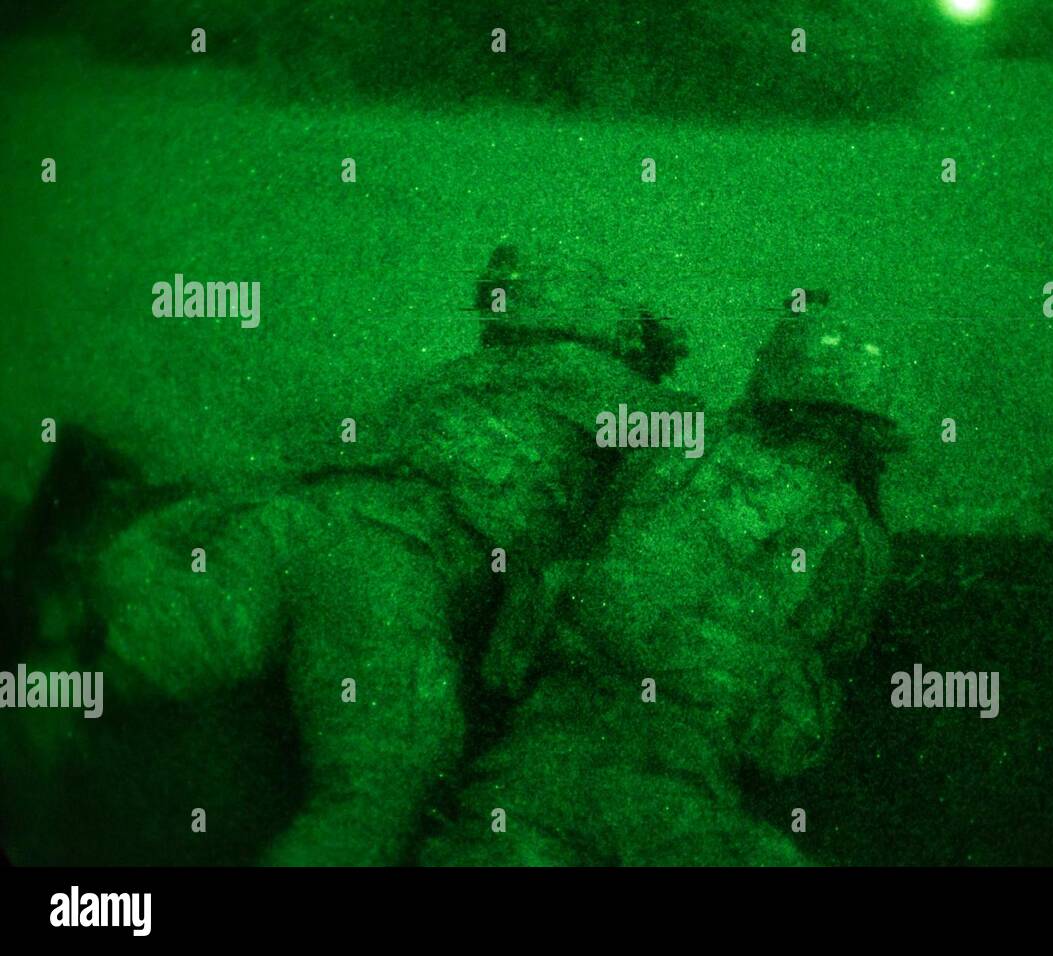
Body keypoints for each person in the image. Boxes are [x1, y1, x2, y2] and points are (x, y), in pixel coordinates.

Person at [0, 241, 690, 865]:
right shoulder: (602, 386)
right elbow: (695, 441)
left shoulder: (458, 378)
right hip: (390, 563)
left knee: (176, 645)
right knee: (383, 784)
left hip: (295, 519)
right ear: (605, 328)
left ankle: (52, 686)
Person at [425, 308, 907, 865]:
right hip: (677, 785)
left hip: (536, 756)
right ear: (868, 430)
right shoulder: (853, 538)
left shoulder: (670, 455)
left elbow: (550, 595)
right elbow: (792, 728)